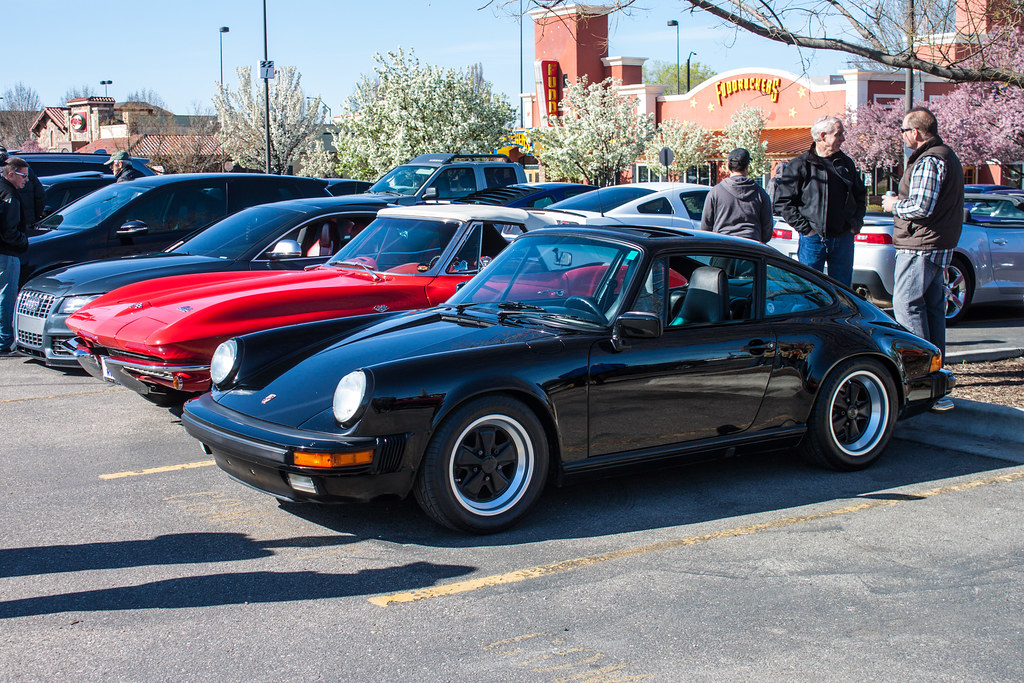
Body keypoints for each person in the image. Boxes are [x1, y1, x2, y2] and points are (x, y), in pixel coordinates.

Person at [882, 106, 963, 411]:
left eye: (904, 131)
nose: (902, 137)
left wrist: (892, 205)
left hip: (920, 245)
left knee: (906, 305)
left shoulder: (930, 160)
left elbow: (921, 206)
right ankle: (936, 383)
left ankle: (921, 382)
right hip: (935, 244)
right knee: (931, 309)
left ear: (915, 132)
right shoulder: (947, 155)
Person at [773, 115, 867, 287]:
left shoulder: (846, 163)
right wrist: (806, 230)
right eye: (838, 134)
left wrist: (855, 223)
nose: (843, 139)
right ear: (823, 137)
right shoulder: (800, 165)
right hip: (813, 241)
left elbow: (860, 195)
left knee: (843, 291)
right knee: (808, 289)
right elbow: (782, 201)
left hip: (843, 238)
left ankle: (840, 315)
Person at [700, 147, 773, 243]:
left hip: (723, 248)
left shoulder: (715, 192)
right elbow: (767, 231)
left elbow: (705, 228)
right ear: (747, 166)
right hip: (752, 249)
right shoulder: (760, 193)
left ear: (728, 166)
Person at [1, 157, 31, 355]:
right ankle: (5, 340)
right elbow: (8, 229)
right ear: (11, 174)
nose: (27, 180)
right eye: (24, 176)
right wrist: (23, 241)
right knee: (7, 295)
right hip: (6, 252)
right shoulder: (10, 194)